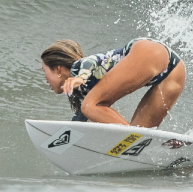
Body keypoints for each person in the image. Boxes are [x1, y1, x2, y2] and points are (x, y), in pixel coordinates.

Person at [40, 38, 185, 128]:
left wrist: (81, 77)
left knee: (90, 106)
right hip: (175, 71)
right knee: (142, 137)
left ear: (58, 69)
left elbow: (91, 61)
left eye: (44, 71)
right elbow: (79, 120)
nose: (45, 79)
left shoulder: (79, 68)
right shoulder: (84, 96)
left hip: (149, 51)